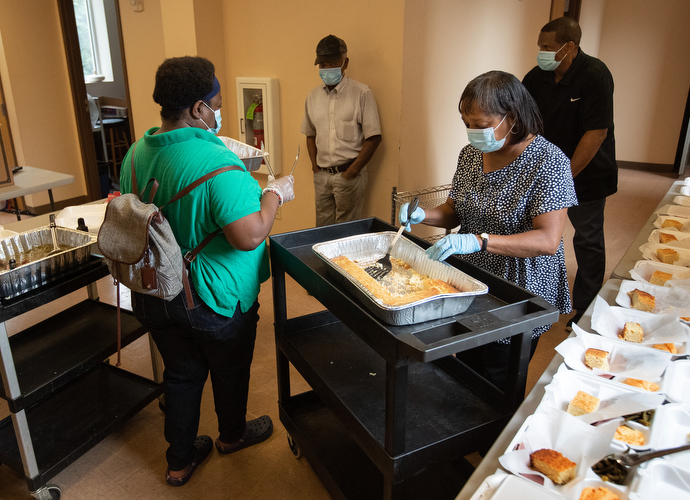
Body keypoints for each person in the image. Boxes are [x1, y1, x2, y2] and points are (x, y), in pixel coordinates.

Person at [119, 56, 295, 487]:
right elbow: (249, 236)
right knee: (229, 368)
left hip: (155, 291)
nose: (217, 115)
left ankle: (179, 461)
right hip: (214, 300)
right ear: (198, 108)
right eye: (214, 106)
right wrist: (274, 194)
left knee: (181, 373)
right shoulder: (221, 165)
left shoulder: (137, 152)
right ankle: (232, 437)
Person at [401, 71, 577, 390]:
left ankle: (496, 438)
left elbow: (548, 240)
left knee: (498, 376)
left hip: (519, 285)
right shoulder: (470, 156)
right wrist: (421, 215)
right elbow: (454, 212)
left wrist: (480, 241)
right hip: (472, 281)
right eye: (466, 123)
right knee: (467, 367)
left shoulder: (549, 162)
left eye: (480, 125)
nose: (472, 132)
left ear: (511, 118)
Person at [522, 16, 617, 329]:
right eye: (540, 46)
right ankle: (528, 297)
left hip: (587, 172)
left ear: (570, 47)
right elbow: (523, 121)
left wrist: (563, 176)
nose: (542, 52)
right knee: (536, 234)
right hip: (544, 170)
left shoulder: (594, 75)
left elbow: (596, 133)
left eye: (548, 47)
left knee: (587, 239)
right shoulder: (536, 78)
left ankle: (585, 308)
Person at [301, 34, 382, 227]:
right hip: (322, 176)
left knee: (347, 232)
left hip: (349, 176)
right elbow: (310, 134)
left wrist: (352, 171)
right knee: (321, 232)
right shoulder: (312, 97)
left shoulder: (362, 93)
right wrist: (315, 168)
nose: (326, 69)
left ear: (344, 63)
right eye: (322, 65)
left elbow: (374, 137)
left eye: (331, 64)